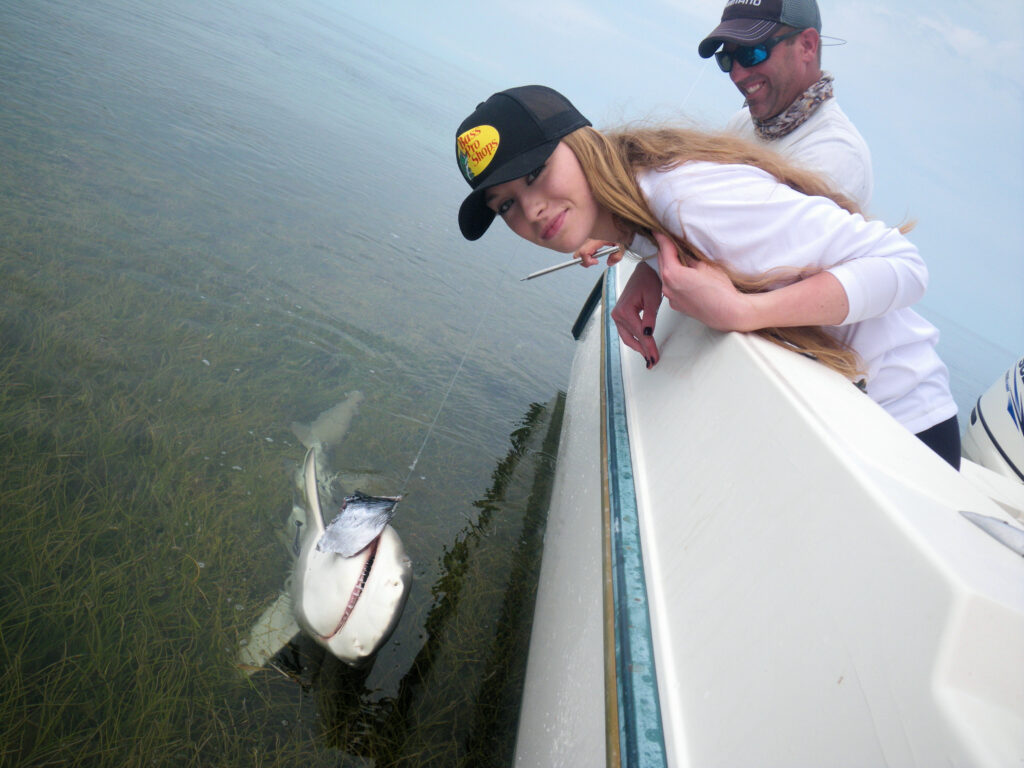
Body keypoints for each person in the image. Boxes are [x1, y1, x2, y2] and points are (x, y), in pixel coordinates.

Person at [454, 85, 960, 468]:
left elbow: (903, 266)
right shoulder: (641, 210)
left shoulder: (688, 198)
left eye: (535, 173)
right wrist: (647, 268)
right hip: (853, 409)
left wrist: (744, 311)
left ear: (580, 144)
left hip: (907, 427)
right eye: (506, 207)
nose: (533, 210)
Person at [698, 0, 873, 209]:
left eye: (751, 53)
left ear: (807, 46)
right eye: (727, 59)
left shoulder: (837, 154)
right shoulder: (741, 123)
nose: (736, 74)